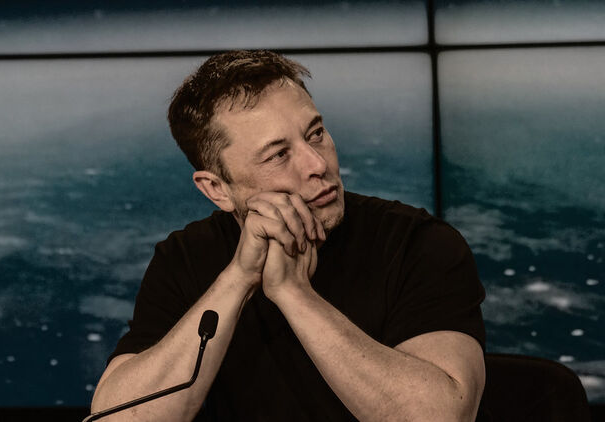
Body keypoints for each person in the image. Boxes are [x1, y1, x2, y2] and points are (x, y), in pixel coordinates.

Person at [90, 50, 486, 421]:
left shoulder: (419, 243)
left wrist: (294, 294)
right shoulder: (184, 257)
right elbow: (114, 417)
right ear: (217, 189)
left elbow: (440, 415)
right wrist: (239, 279)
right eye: (279, 154)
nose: (317, 164)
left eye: (315, 134)